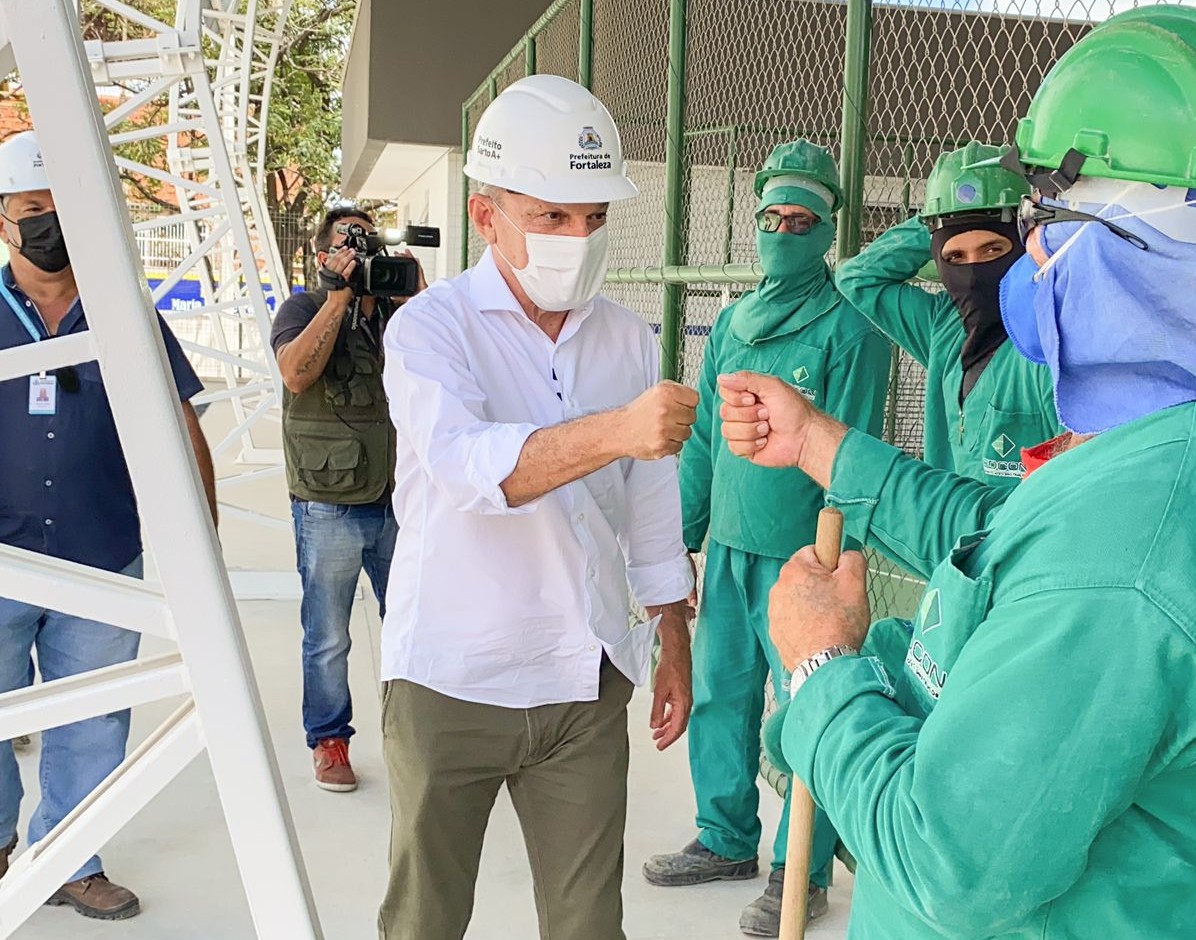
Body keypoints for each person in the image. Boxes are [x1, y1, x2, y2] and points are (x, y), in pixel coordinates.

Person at [714, 9, 1196, 937]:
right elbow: (1008, 545)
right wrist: (816, 442)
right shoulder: (1179, 443)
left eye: (1043, 222)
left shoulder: (1138, 546)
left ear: (1117, 239)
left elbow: (951, 866)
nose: (1028, 256)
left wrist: (822, 671)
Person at [376, 74, 696, 940]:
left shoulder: (628, 337)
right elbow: (466, 470)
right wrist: (618, 429)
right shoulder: (432, 329)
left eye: (593, 217)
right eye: (551, 217)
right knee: (425, 918)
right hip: (452, 674)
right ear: (488, 217)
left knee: (589, 923)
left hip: (584, 675)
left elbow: (653, 503)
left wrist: (672, 640)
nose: (577, 239)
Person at [644, 139, 892, 937]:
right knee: (722, 694)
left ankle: (801, 867)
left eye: (802, 219)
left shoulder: (849, 327)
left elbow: (848, 444)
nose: (784, 230)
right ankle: (724, 838)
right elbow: (708, 440)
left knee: (806, 706)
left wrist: (834, 553)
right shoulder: (733, 322)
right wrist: (681, 536)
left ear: (827, 231)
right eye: (771, 217)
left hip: (804, 557)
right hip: (729, 549)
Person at [0, 130, 214, 920]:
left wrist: (205, 547)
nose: (48, 222)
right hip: (2, 558)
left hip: (101, 558)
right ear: (2, 221)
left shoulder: (124, 313)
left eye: (62, 208)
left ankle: (70, 857)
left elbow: (180, 424)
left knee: (91, 721)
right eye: (31, 209)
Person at [271, 206, 417, 792]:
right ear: (322, 255)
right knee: (328, 633)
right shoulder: (302, 308)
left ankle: (413, 733)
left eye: (366, 242)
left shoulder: (395, 313)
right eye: (345, 242)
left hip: (399, 494)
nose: (359, 254)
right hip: (327, 500)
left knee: (411, 621)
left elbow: (444, 372)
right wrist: (337, 300)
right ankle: (330, 740)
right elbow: (295, 374)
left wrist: (417, 301)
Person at [836, 142, 1056, 488]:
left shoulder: (1047, 343)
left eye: (993, 250)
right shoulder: (944, 325)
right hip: (946, 535)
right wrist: (934, 221)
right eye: (954, 258)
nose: (972, 273)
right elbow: (857, 279)